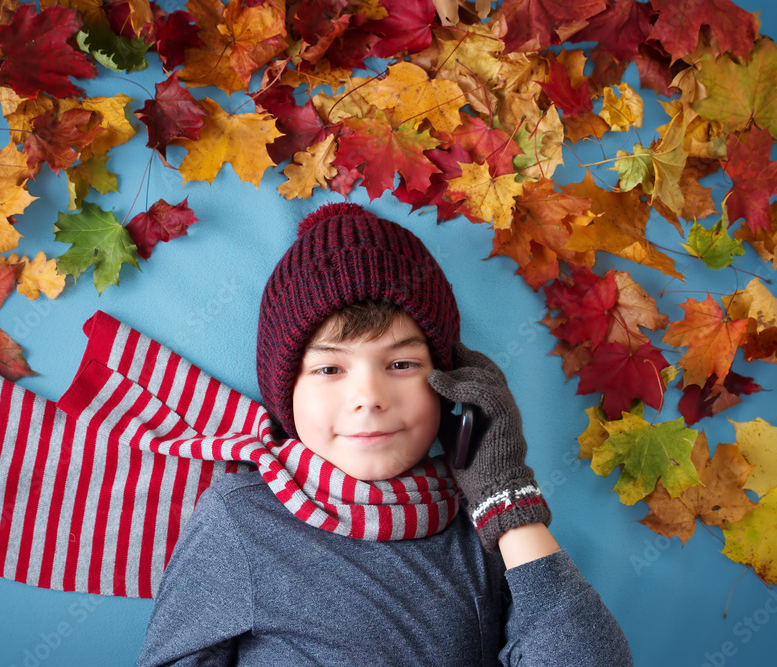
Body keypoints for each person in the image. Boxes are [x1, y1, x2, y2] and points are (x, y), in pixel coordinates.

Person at [136, 203, 632, 665]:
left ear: (450, 383)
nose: (369, 395)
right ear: (285, 392)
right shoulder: (241, 519)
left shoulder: (480, 526)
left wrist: (507, 498)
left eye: (401, 363)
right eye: (330, 369)